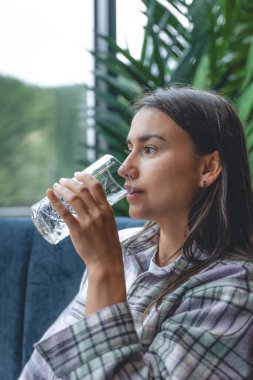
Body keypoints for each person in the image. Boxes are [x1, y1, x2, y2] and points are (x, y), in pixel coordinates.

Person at [20, 85, 253, 379]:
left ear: (208, 167)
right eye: (130, 149)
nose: (125, 168)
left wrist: (105, 268)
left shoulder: (233, 290)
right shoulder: (127, 246)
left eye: (150, 149)